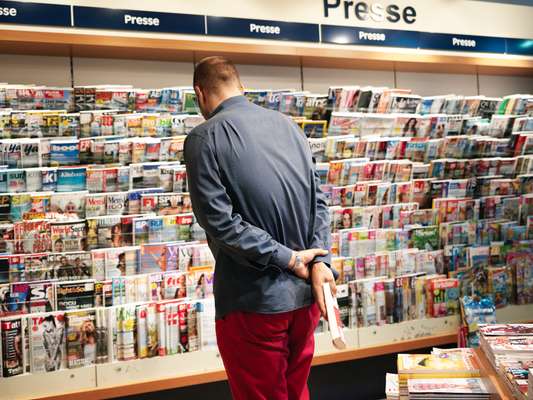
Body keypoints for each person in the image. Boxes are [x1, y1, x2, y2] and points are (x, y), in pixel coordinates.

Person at [184, 56, 336, 400]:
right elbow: (320, 202)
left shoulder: (203, 138)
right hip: (305, 299)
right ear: (241, 86)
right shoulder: (290, 127)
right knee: (296, 392)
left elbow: (220, 222)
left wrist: (289, 259)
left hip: (253, 302)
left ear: (200, 93)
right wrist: (319, 262)